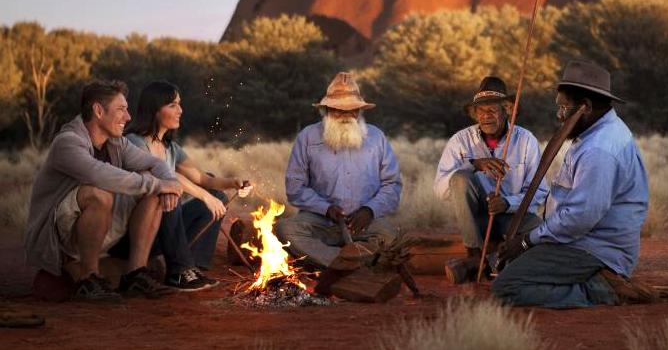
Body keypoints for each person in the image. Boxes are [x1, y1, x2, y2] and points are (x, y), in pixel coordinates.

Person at [492, 60, 649, 308]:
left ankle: (600, 290)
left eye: (564, 108)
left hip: (596, 249)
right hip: (580, 239)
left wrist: (526, 241)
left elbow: (580, 218)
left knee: (506, 288)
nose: (559, 115)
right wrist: (530, 241)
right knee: (509, 262)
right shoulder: (595, 132)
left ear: (585, 106)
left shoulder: (599, 149)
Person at [25, 80, 183, 303]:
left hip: (100, 225)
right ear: (98, 111)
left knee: (152, 188)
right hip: (59, 237)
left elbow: (155, 164)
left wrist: (168, 185)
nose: (128, 117)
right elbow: (101, 174)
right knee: (99, 192)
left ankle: (135, 274)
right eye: (121, 109)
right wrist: (159, 185)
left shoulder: (116, 143)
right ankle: (88, 279)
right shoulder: (68, 142)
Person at [127, 80, 251, 290]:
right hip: (136, 230)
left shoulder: (171, 148)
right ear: (155, 110)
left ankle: (193, 266)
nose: (180, 110)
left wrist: (233, 182)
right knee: (169, 192)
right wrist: (204, 196)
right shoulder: (133, 142)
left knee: (217, 195)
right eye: (172, 105)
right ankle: (178, 270)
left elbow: (203, 179)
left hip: (163, 231)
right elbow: (162, 179)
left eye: (180, 104)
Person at [276, 72, 402, 267]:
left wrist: (369, 210)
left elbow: (392, 185)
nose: (345, 115)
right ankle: (344, 263)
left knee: (392, 238)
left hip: (364, 224)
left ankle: (339, 260)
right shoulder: (307, 137)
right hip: (320, 221)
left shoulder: (377, 138)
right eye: (338, 110)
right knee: (286, 229)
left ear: (360, 111)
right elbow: (295, 187)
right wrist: (326, 209)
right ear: (325, 110)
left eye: (352, 110)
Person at [433, 76, 547, 284]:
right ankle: (474, 254)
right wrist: (473, 165)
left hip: (511, 218)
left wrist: (507, 203)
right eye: (481, 111)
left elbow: (538, 193)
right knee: (459, 178)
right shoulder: (460, 141)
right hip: (475, 222)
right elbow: (440, 190)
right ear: (474, 114)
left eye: (493, 110)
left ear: (507, 111)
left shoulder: (526, 140)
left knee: (541, 232)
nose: (486, 116)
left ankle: (479, 264)